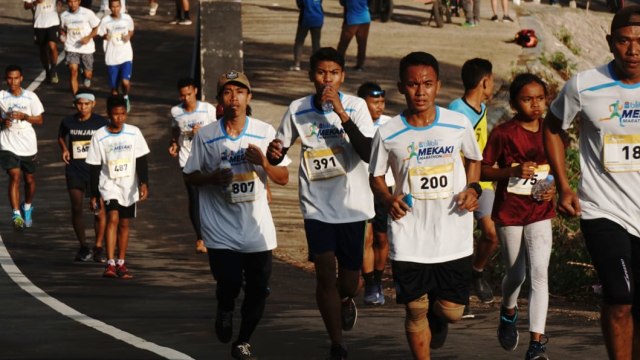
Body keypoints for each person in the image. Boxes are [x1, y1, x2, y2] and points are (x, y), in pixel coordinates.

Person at [369, 51, 482, 359]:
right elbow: (376, 176)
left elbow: (474, 159)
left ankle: (440, 316)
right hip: (410, 234)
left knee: (452, 312)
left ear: (438, 85)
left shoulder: (457, 124)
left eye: (427, 84)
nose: (420, 91)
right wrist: (389, 198)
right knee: (415, 308)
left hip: (452, 233)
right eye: (412, 84)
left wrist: (473, 188)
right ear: (401, 87)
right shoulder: (388, 132)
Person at [543, 6, 640, 359]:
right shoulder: (584, 85)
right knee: (620, 296)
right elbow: (552, 128)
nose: (634, 50)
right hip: (604, 209)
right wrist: (564, 185)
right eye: (624, 41)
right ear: (610, 43)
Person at [267, 47, 375, 360]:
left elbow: (368, 152)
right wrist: (274, 152)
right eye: (320, 72)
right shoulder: (298, 108)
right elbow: (279, 150)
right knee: (326, 273)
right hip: (316, 205)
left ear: (343, 76)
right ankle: (337, 343)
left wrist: (341, 113)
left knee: (350, 282)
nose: (327, 79)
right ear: (311, 75)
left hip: (353, 205)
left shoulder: (356, 107)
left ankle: (344, 300)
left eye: (333, 73)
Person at [184, 71, 290, 360]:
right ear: (220, 100)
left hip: (256, 228)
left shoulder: (266, 131)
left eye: (240, 91)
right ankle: (226, 307)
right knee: (229, 281)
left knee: (259, 290)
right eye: (228, 92)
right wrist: (211, 178)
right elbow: (190, 176)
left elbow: (283, 177)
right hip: (220, 227)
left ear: (249, 97)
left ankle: (243, 340)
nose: (235, 97)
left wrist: (264, 163)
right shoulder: (206, 136)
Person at [483, 73, 556, 360]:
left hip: (540, 210)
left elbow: (554, 168)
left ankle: (537, 344)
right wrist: (510, 172)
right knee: (517, 273)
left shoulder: (552, 130)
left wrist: (551, 187)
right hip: (510, 212)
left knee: (540, 274)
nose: (535, 105)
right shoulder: (503, 133)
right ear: (514, 103)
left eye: (540, 98)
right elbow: (484, 169)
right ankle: (508, 310)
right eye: (527, 99)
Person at [448, 58, 498, 308]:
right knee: (463, 240)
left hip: (482, 182)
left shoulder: (483, 110)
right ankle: (460, 295)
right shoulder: (456, 110)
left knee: (490, 235)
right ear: (485, 82)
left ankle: (476, 273)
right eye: (492, 81)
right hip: (460, 185)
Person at [86, 95, 149, 279]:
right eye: (115, 114)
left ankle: (121, 262)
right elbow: (94, 166)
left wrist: (144, 182)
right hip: (109, 184)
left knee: (124, 222)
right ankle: (110, 263)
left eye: (122, 114)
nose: (119, 118)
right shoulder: (99, 136)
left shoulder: (134, 132)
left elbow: (141, 159)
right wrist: (94, 194)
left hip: (128, 185)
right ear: (108, 114)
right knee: (112, 217)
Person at [57, 91, 108, 262]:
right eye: (80, 104)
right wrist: (64, 149)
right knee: (76, 208)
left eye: (87, 104)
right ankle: (83, 246)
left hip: (96, 171)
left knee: (98, 210)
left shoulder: (101, 122)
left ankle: (99, 246)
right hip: (75, 170)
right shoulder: (68, 121)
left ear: (93, 104)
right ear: (75, 104)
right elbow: (60, 136)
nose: (83, 107)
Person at [169, 77, 217, 254]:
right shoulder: (176, 111)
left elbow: (217, 130)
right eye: (182, 96)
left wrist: (202, 132)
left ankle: (214, 232)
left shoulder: (208, 110)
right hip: (187, 158)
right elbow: (175, 129)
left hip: (208, 157)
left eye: (189, 94)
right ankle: (200, 238)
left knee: (211, 194)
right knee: (194, 195)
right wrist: (173, 142)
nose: (186, 98)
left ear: (195, 91)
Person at [357, 81, 393, 306]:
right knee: (366, 238)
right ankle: (369, 283)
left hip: (384, 188)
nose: (379, 107)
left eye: (382, 102)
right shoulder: (356, 124)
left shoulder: (390, 124)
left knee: (381, 237)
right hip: (362, 188)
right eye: (374, 102)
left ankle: (378, 280)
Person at [0, 65, 44, 231]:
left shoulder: (31, 97)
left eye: (16, 78)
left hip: (27, 143)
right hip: (7, 141)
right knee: (14, 175)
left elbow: (39, 120)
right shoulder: (1, 97)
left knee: (29, 180)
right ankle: (16, 214)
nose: (13, 81)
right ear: (6, 79)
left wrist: (25, 117)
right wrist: (2, 122)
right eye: (9, 78)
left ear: (21, 78)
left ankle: (27, 206)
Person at [98, 0, 134, 112]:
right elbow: (101, 34)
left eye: (117, 6)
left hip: (126, 55)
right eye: (113, 7)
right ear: (109, 7)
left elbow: (131, 30)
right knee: (114, 89)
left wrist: (129, 36)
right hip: (111, 57)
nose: (115, 9)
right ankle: (116, 107)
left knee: (125, 82)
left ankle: (126, 97)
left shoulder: (127, 18)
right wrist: (105, 37)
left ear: (121, 6)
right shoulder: (105, 21)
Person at [60, 0, 100, 98]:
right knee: (73, 70)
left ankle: (84, 74)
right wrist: (63, 35)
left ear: (79, 2)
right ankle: (76, 97)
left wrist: (88, 37)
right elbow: (63, 29)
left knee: (88, 75)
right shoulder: (64, 15)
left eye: (75, 1)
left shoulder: (88, 13)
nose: (72, 4)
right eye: (70, 2)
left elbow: (97, 28)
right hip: (71, 47)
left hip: (87, 48)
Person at [23, 0, 62, 84]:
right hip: (39, 24)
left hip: (53, 22)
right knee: (43, 49)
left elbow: (60, 2)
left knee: (52, 46)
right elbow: (26, 6)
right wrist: (36, 2)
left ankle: (53, 70)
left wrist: (59, 7)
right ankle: (47, 71)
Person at [336, 0, 371, 71]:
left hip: (352, 19)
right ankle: (360, 65)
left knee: (343, 44)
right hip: (365, 18)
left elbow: (342, 3)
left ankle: (338, 63)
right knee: (362, 44)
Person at [290, 0, 324, 71]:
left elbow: (299, 5)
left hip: (305, 18)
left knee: (299, 41)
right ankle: (316, 65)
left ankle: (297, 64)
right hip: (318, 17)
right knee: (316, 42)